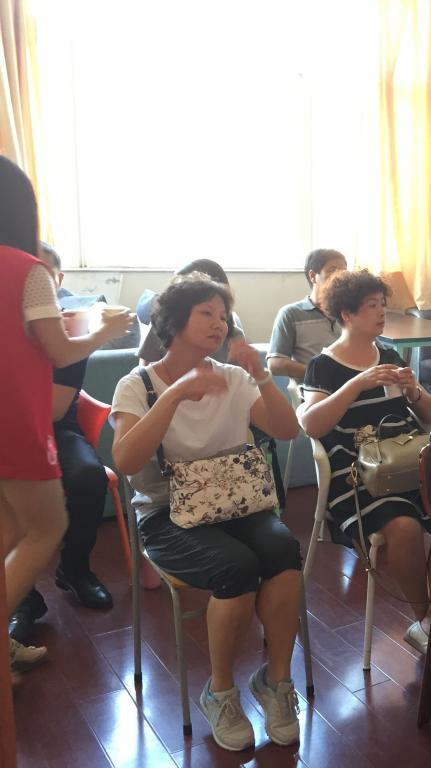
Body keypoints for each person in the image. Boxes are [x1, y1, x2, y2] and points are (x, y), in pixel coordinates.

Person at [111, 273, 303, 751]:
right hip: (165, 513)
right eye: (206, 314)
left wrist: (261, 375)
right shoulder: (137, 385)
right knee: (235, 568)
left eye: (223, 315)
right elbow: (127, 461)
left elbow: (287, 431)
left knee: (283, 551)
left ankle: (276, 682)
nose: (219, 323)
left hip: (236, 502)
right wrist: (175, 394)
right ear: (175, 321)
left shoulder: (234, 378)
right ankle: (220, 691)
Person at [1, 156, 134, 681]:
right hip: (15, 422)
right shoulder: (27, 270)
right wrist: (105, 332)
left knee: (11, 529)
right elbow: (58, 352)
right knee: (47, 525)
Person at [298, 270, 431, 672]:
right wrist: (357, 384)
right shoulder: (323, 366)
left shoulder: (388, 355)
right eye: (371, 306)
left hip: (408, 460)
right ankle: (425, 618)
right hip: (359, 474)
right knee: (403, 527)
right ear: (347, 314)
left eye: (382, 304)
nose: (381, 312)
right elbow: (312, 425)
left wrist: (413, 390)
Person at [9, 244, 114, 648]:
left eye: (45, 278)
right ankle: (23, 598)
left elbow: (52, 411)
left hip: (55, 428)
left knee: (88, 475)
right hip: (14, 431)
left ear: (57, 281)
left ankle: (75, 569)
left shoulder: (70, 330)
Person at [138, 259, 245, 364]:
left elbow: (242, 374)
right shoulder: (160, 327)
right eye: (206, 313)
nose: (218, 324)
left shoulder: (234, 338)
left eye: (222, 317)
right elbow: (145, 368)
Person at [267, 248, 348, 380]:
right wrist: (319, 373)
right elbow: (275, 364)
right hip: (311, 388)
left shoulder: (350, 312)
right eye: (332, 270)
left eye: (343, 271)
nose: (339, 276)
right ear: (312, 276)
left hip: (353, 385)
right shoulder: (291, 314)